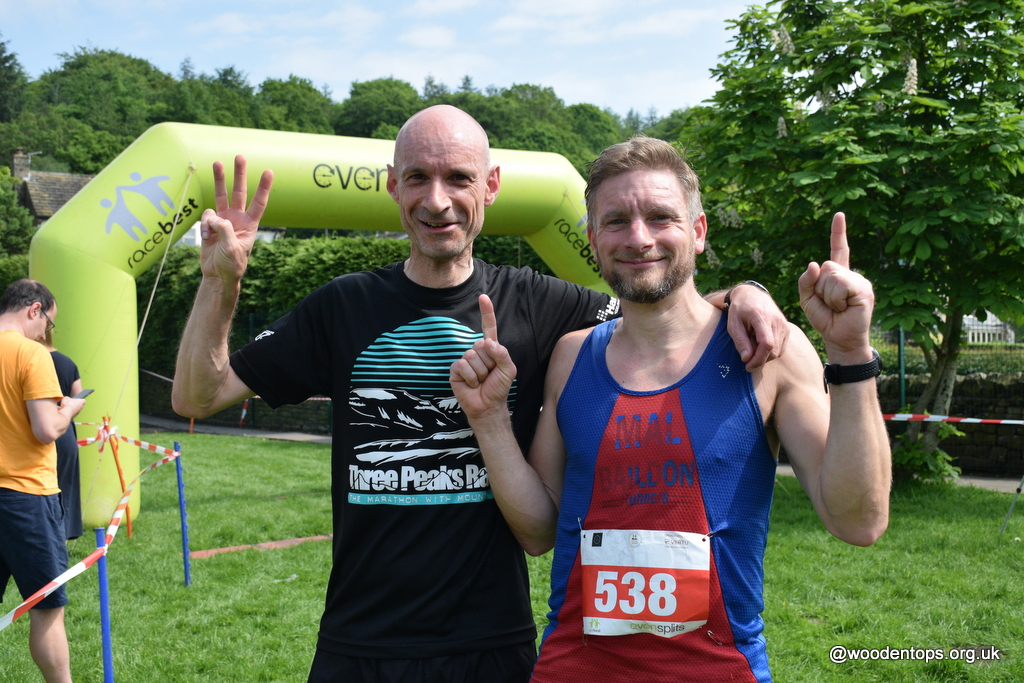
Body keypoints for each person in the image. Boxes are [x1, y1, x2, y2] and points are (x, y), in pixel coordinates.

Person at [171, 105, 789, 683]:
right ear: (393, 186)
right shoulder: (342, 306)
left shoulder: (546, 306)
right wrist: (219, 283)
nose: (437, 201)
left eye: (457, 178)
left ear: (490, 186)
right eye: (417, 177)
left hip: (495, 643)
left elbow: (657, 303)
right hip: (359, 644)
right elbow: (197, 398)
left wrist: (743, 292)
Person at [450, 137, 891, 682]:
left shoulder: (768, 352)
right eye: (616, 222)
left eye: (661, 217)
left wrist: (850, 354)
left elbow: (860, 521)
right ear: (591, 240)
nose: (639, 238)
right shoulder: (572, 356)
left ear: (699, 231)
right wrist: (488, 420)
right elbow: (539, 530)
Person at [0, 279, 87, 683]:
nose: (46, 333)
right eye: (48, 322)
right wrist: (69, 407)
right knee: (47, 606)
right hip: (26, 497)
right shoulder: (31, 354)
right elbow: (46, 429)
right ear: (35, 310)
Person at [41, 328, 84, 541]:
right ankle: (62, 537)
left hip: (37, 432)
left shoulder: (28, 359)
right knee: (64, 487)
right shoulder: (67, 363)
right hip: (64, 432)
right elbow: (78, 397)